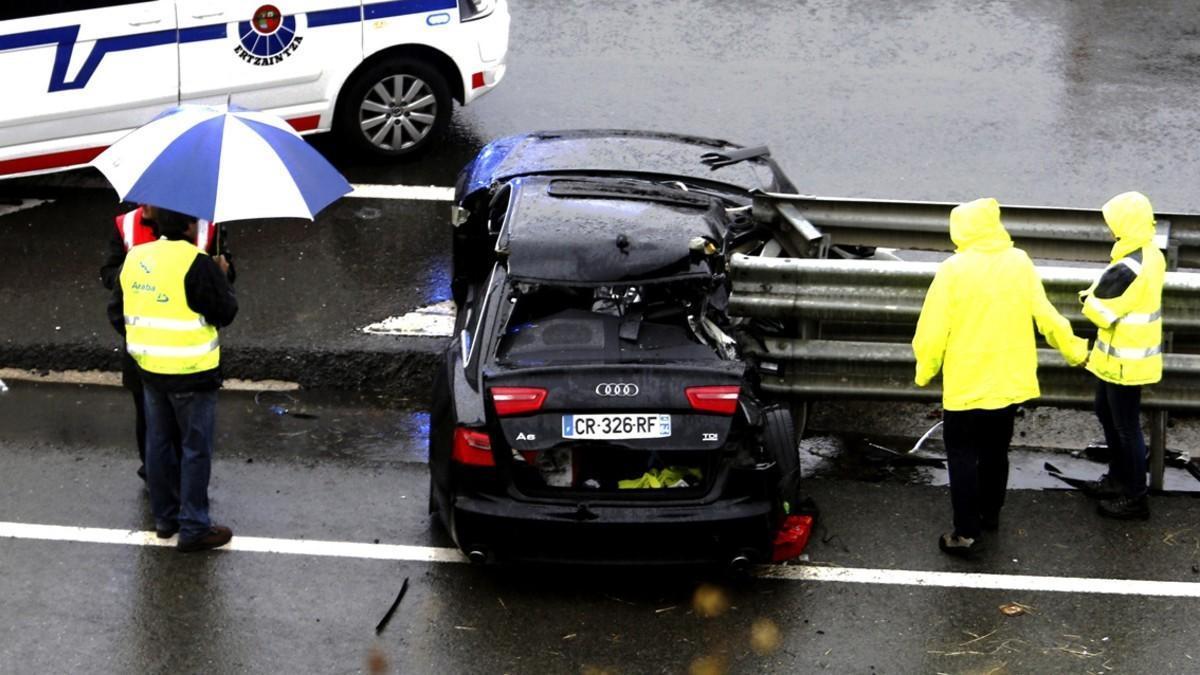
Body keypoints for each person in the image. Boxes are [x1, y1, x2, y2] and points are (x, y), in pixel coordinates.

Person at [913, 198, 1088, 558]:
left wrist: (925, 371)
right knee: (995, 451)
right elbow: (1047, 315)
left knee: (961, 454)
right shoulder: (1019, 262)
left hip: (966, 383)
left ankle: (965, 534)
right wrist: (1074, 350)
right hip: (1008, 382)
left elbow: (931, 331)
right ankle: (990, 514)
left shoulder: (953, 270)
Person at [108, 208, 238, 552]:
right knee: (195, 449)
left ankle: (164, 520)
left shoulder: (135, 258)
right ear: (189, 224)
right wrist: (221, 274)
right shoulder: (196, 262)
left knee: (158, 443)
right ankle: (194, 526)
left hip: (149, 368)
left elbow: (118, 309)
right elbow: (224, 312)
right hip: (192, 372)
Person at [1077, 192, 1164, 520]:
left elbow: (1098, 310)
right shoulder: (1148, 253)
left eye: (1112, 222)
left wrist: (1086, 296)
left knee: (1125, 427)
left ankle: (1135, 496)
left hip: (1126, 363)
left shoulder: (1130, 264)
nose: (1109, 228)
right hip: (1117, 360)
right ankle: (1117, 480)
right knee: (1109, 415)